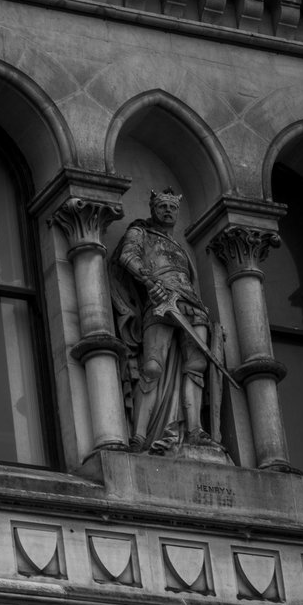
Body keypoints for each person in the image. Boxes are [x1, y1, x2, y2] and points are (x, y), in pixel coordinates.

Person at [110, 188, 215, 455]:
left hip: (191, 303)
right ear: (153, 209)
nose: (168, 211)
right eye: (162, 206)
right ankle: (139, 435)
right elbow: (126, 257)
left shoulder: (179, 245)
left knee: (197, 364)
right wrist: (148, 281)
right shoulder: (140, 231)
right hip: (159, 300)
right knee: (153, 367)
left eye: (172, 207)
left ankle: (194, 430)